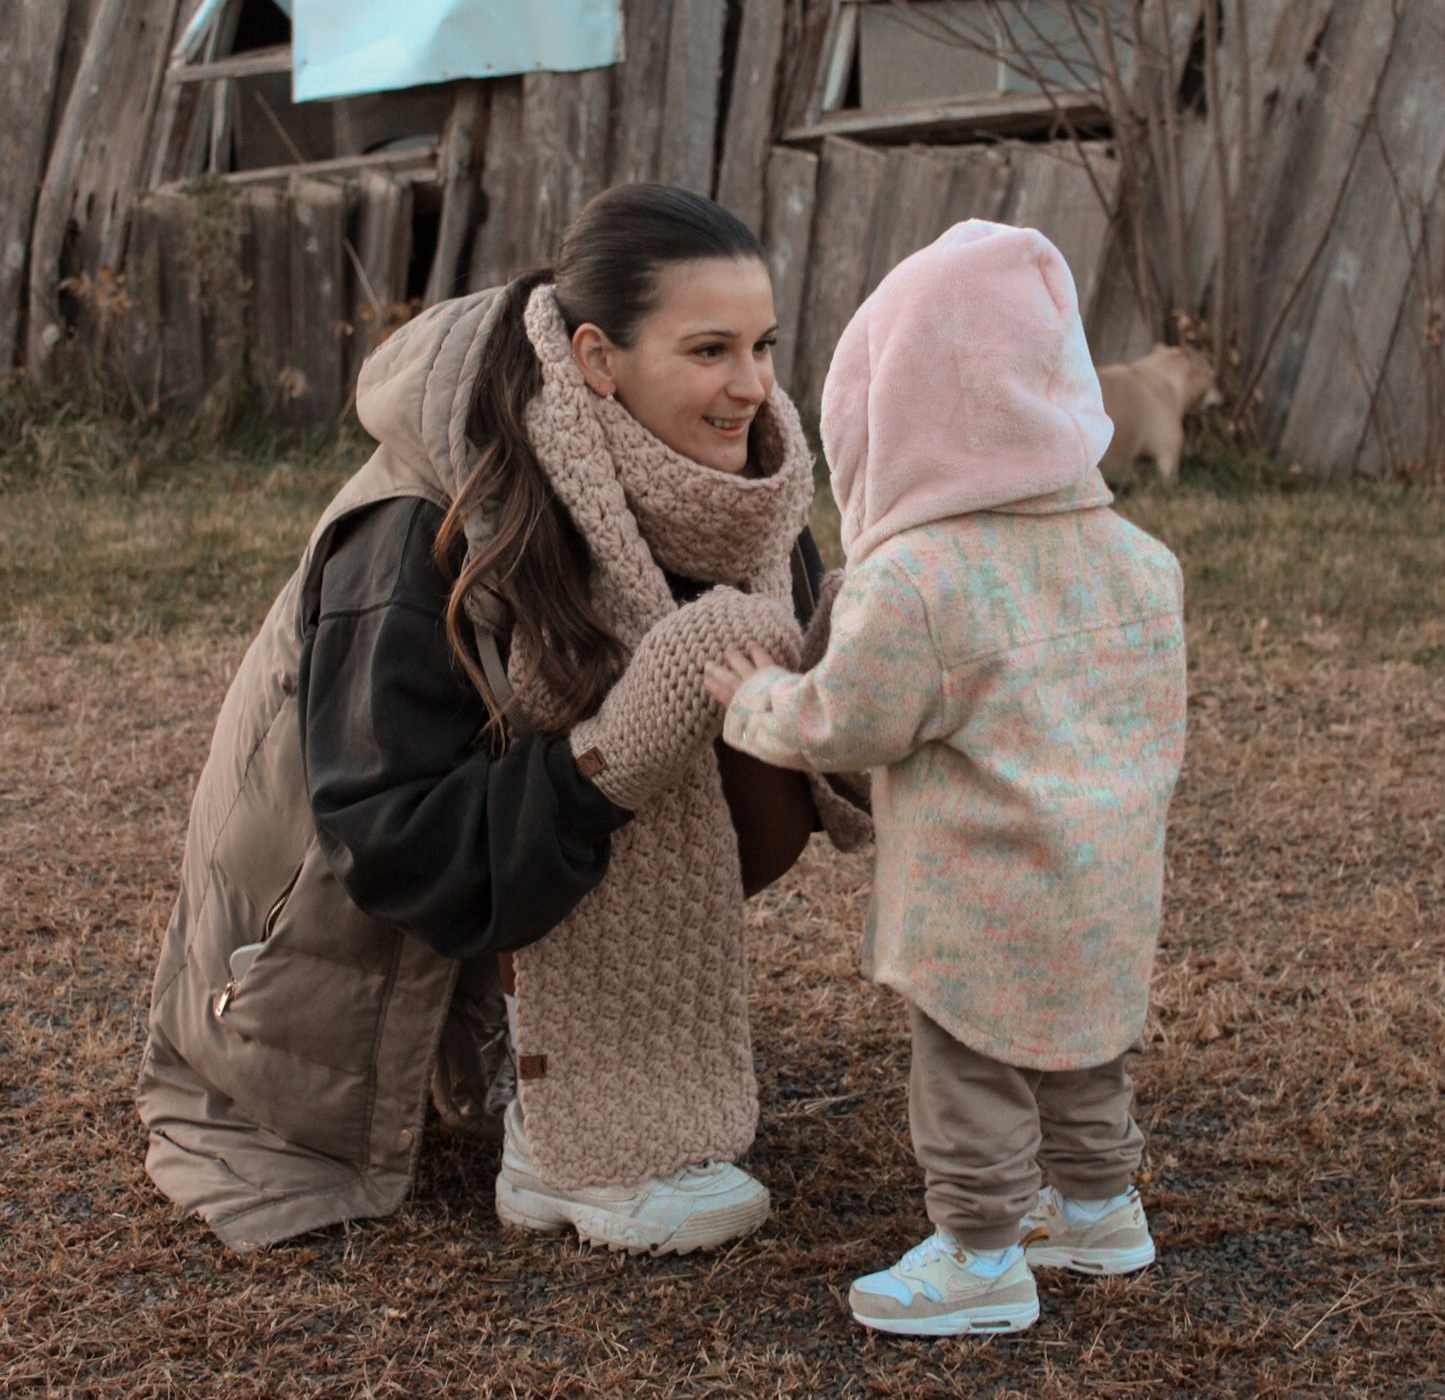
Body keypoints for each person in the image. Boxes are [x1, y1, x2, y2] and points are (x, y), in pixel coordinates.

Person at [136, 183, 869, 1256]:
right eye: (708, 350)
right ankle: (556, 1125)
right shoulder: (416, 526)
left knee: (744, 698)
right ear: (595, 358)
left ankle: (565, 1040)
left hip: (516, 841)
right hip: (332, 920)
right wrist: (612, 757)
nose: (751, 387)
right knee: (637, 703)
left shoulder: (741, 495)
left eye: (762, 345)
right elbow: (391, 833)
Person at [705, 220, 1188, 1335]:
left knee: (969, 1071)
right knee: (1081, 1052)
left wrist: (747, 698)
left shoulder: (919, 580)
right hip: (1105, 879)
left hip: (978, 895)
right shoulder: (1138, 561)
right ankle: (1101, 1207)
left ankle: (978, 1254)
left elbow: (843, 722)